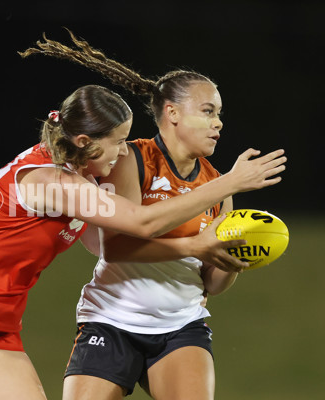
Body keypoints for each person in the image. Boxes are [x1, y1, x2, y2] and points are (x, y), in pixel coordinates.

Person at [0, 33, 286, 399]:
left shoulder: (80, 177)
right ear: (84, 141)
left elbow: (108, 244)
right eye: (117, 143)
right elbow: (140, 224)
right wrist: (229, 184)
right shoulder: (55, 180)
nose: (121, 153)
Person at [21, 31, 269, 399]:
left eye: (219, 114)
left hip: (181, 324)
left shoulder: (217, 183)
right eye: (208, 111)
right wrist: (195, 245)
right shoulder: (132, 158)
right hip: (111, 320)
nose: (219, 123)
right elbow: (117, 248)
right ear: (172, 113)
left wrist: (235, 257)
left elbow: (212, 284)